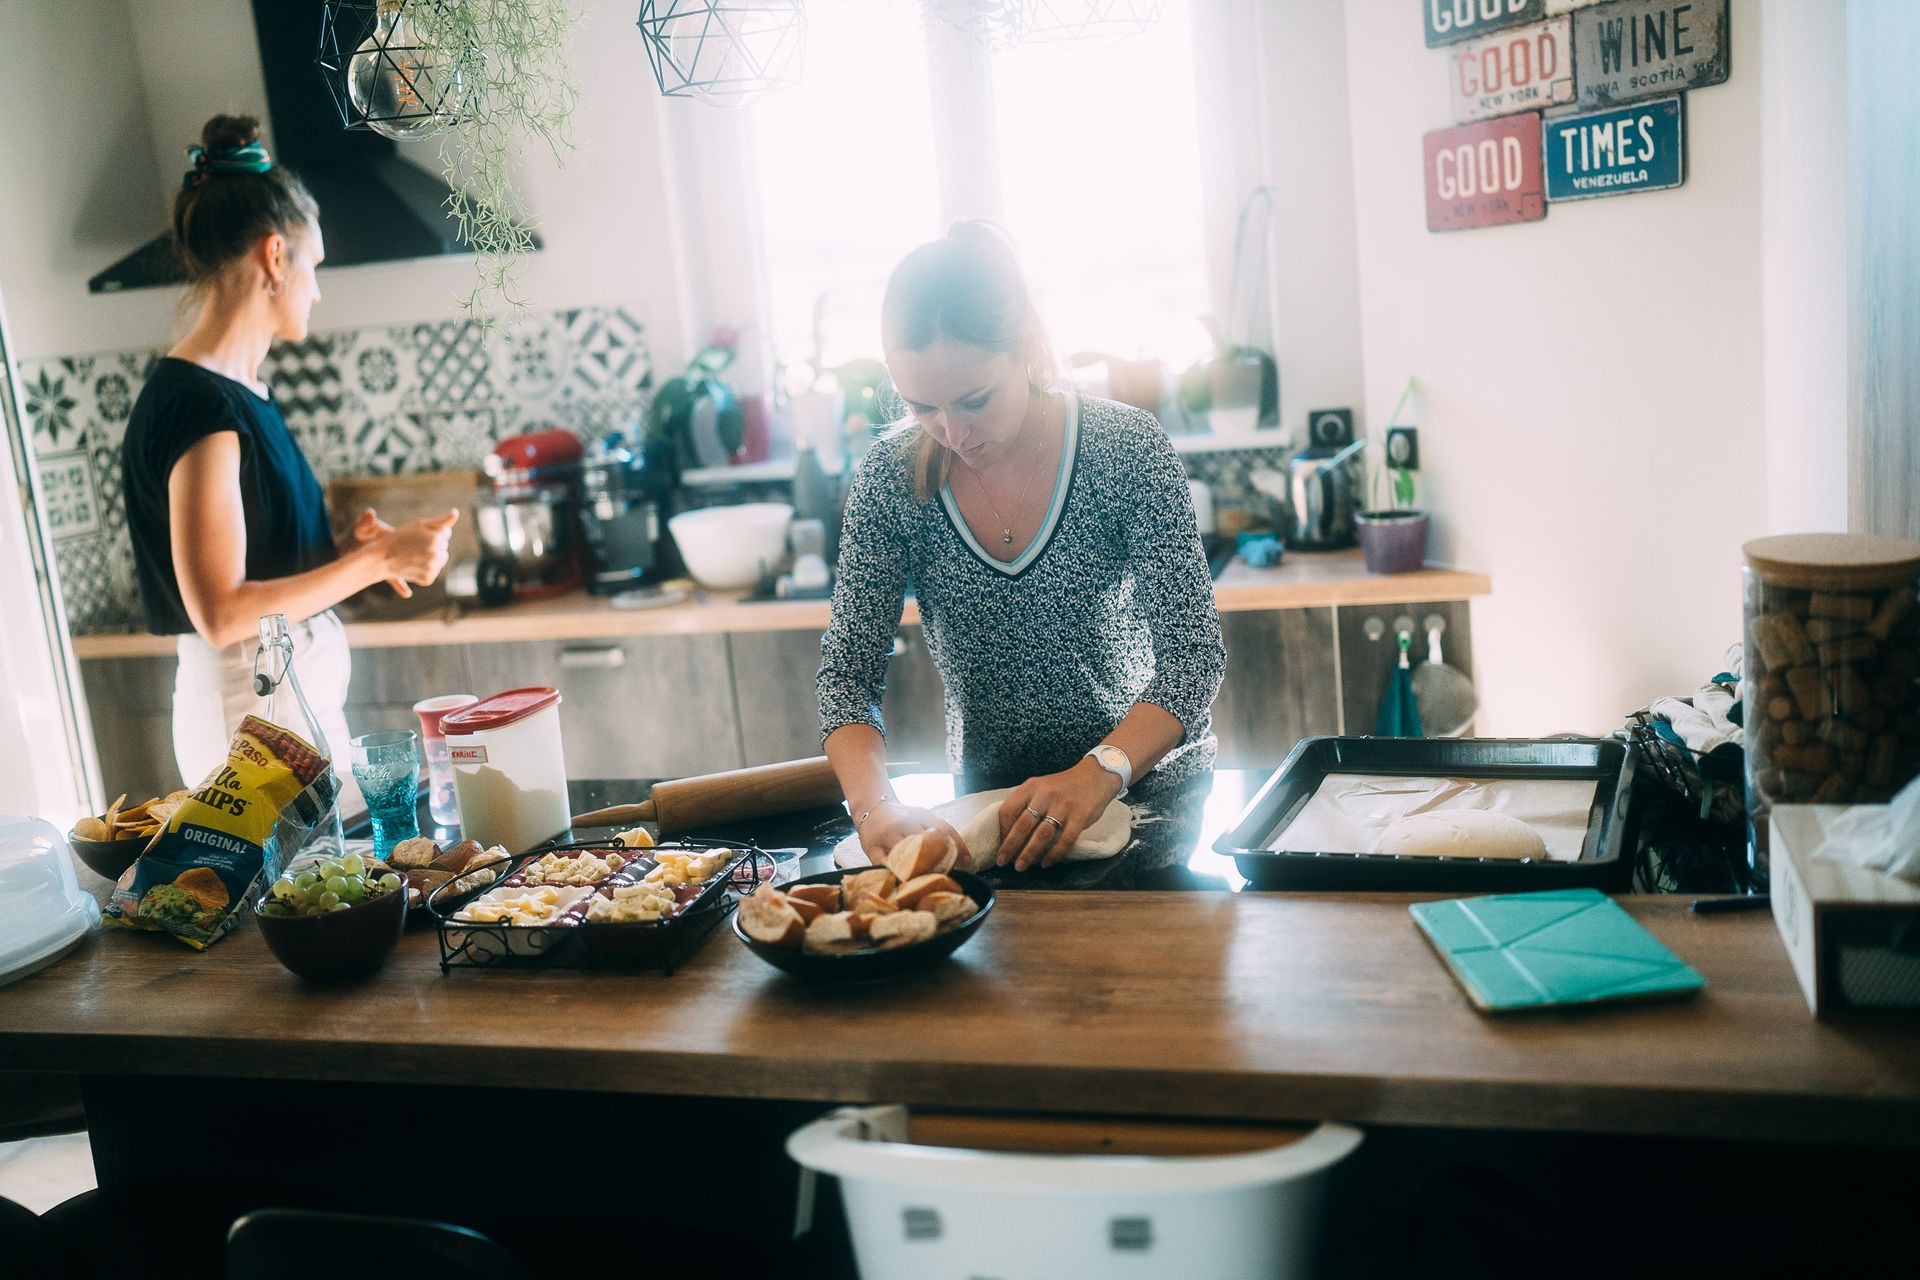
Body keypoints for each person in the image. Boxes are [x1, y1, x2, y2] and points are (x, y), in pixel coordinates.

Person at [819, 222, 1227, 872]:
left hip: (1149, 799)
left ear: (1026, 348)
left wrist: (1098, 774)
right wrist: (874, 807)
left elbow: (1194, 659)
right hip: (994, 817)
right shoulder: (891, 483)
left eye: (975, 400)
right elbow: (846, 678)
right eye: (922, 405)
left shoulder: (1127, 451)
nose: (953, 432)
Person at [121, 115, 456, 808]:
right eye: (315, 264)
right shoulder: (199, 405)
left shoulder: (241, 394)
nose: (318, 289)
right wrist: (376, 564)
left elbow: (262, 574)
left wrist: (347, 552)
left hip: (284, 714)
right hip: (251, 724)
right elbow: (220, 611)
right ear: (276, 257)